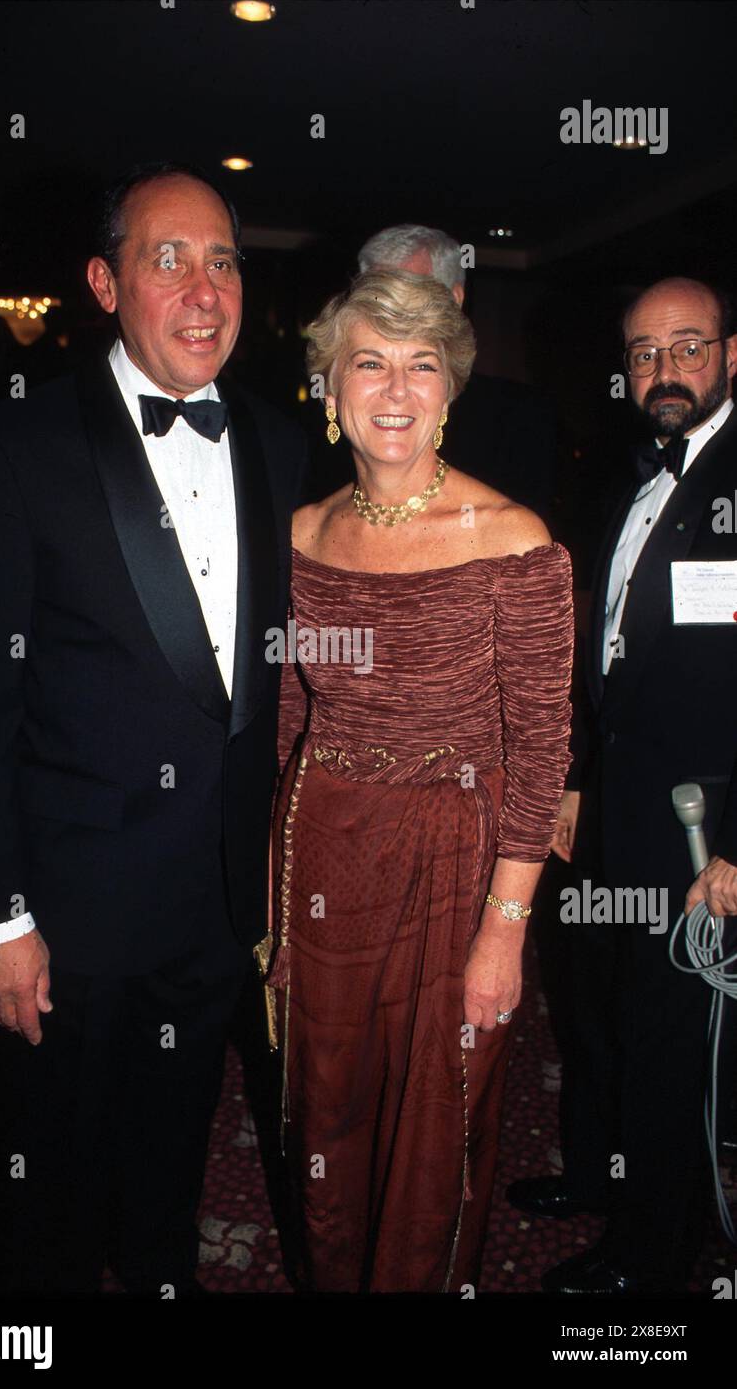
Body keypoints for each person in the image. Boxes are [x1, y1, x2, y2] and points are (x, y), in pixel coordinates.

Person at [0, 161, 308, 1297]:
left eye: (223, 261)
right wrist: (0, 915)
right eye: (167, 259)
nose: (203, 290)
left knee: (166, 1183)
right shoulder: (14, 446)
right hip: (62, 926)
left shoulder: (277, 449)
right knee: (45, 1203)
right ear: (103, 282)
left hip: (209, 915)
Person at [258, 269, 573, 1292]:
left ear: (450, 389)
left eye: (420, 365)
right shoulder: (300, 535)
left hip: (453, 861)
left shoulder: (512, 540)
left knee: (441, 1114)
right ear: (327, 383)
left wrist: (504, 928)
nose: (394, 389)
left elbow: (538, 749)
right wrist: (273, 886)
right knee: (326, 1102)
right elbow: (288, 720)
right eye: (368, 362)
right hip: (325, 852)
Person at [510, 277, 737, 1296]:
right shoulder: (622, 478)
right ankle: (599, 1177)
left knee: (664, 1045)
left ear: (731, 355)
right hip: (611, 808)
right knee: (595, 1009)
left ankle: (650, 1253)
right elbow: (603, 655)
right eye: (642, 352)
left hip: (700, 832)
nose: (661, 370)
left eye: (685, 346)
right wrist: (572, 778)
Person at [354, 224, 557, 516]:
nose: (389, 315)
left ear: (454, 300)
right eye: (374, 298)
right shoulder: (342, 410)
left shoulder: (519, 418)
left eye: (409, 297)